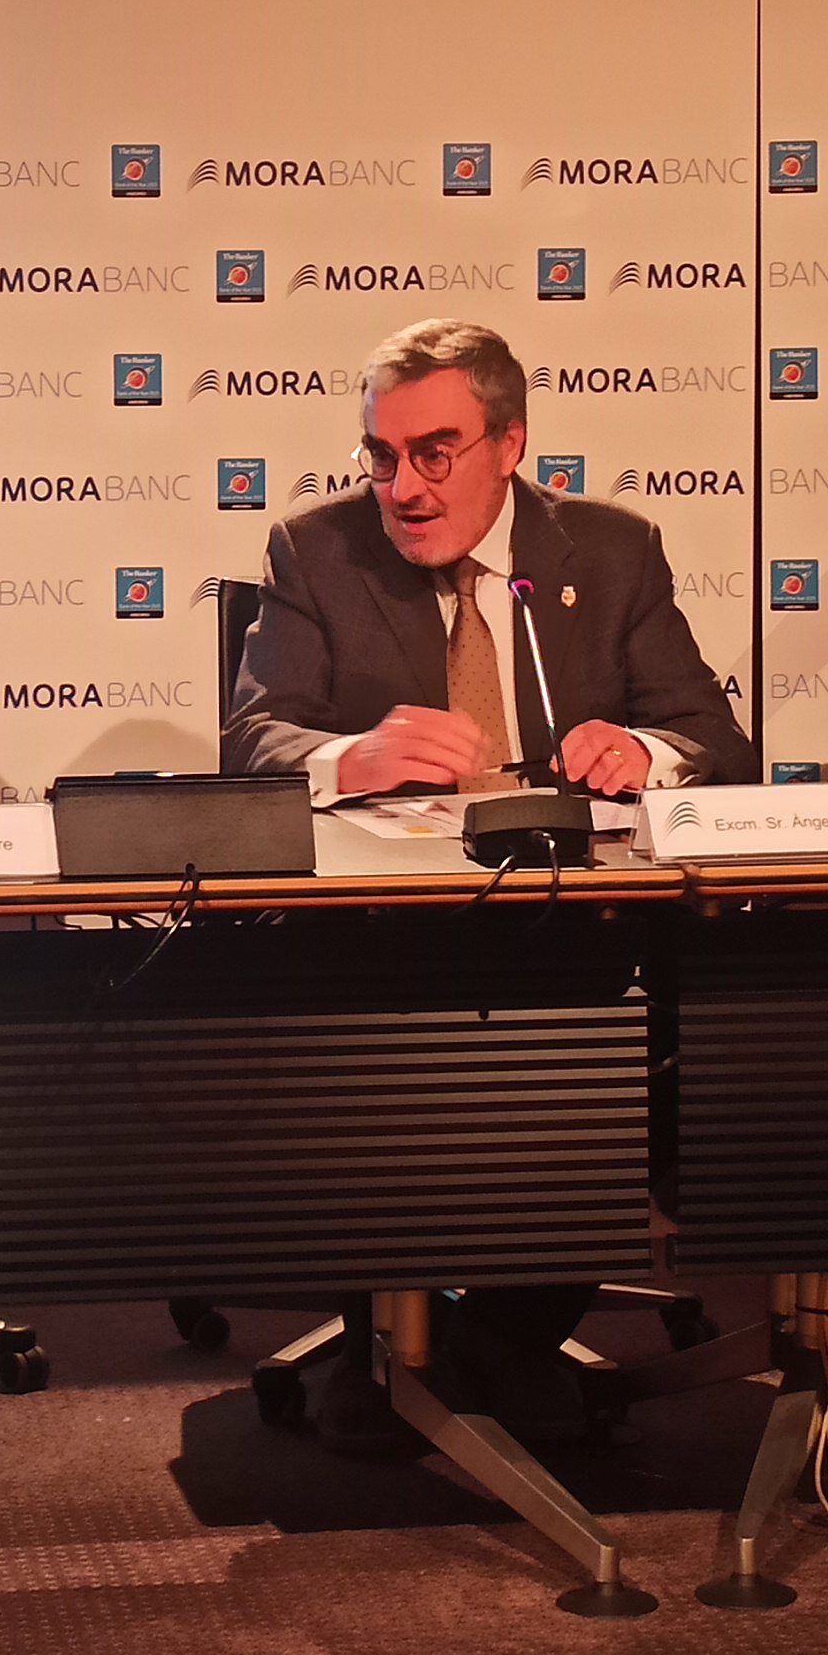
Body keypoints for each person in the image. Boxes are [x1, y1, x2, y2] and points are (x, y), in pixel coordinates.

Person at [226, 317, 755, 1454]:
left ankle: (488, 1339)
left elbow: (714, 738)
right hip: (382, 933)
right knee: (362, 1049)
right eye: (381, 455)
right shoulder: (315, 549)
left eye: (435, 453)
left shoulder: (609, 551)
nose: (403, 488)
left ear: (509, 444)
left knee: (652, 1043)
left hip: (575, 927)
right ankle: (392, 1333)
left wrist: (642, 749)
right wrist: (349, 756)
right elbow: (254, 738)